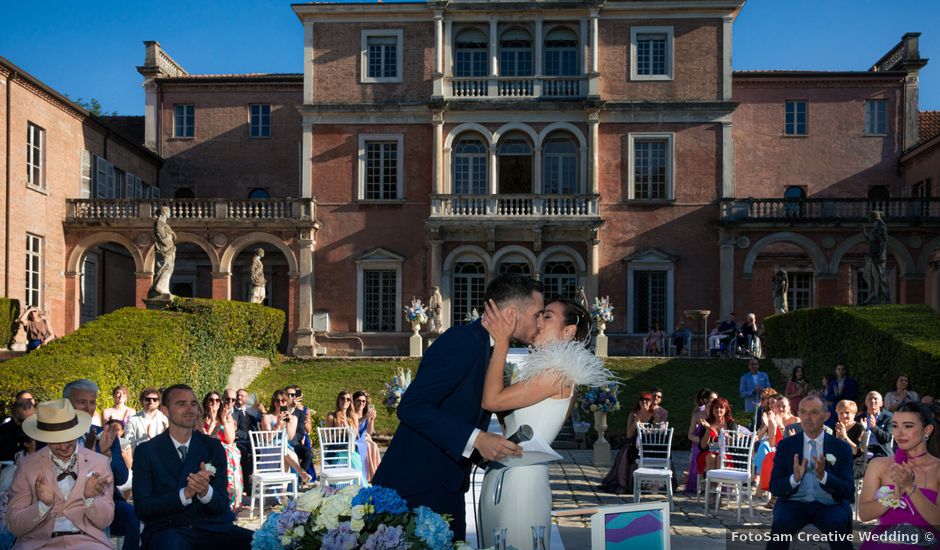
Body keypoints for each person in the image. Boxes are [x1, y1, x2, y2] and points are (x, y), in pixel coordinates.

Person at [372, 274, 542, 540]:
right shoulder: (463, 340)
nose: (540, 323)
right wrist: (476, 438)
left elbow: (457, 410)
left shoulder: (487, 347)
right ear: (511, 314)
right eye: (537, 314)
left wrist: (482, 452)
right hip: (416, 487)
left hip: (445, 483)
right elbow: (412, 407)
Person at [480, 296, 609, 549]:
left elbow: (491, 400)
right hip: (505, 475)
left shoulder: (558, 373)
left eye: (547, 316)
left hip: (522, 485)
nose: (538, 320)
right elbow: (509, 425)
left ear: (568, 331)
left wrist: (502, 341)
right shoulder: (543, 373)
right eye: (539, 314)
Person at [132, 384, 253, 549]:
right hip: (168, 530)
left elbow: (222, 505)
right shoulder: (146, 451)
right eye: (181, 404)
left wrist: (205, 492)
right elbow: (143, 509)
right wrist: (185, 494)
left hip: (210, 528)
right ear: (165, 410)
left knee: (258, 543)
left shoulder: (212, 448)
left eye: (193, 404)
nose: (190, 409)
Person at [7, 398, 114, 549]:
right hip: (37, 544)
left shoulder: (99, 463)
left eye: (69, 438)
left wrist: (90, 499)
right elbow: (14, 525)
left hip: (89, 541)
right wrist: (42, 505)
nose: (64, 446)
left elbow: (106, 520)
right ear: (44, 437)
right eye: (56, 440)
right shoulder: (26, 466)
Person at [766, 395, 855, 550]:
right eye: (803, 412)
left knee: (840, 530)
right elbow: (775, 486)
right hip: (794, 503)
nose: (807, 417)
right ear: (798, 414)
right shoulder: (787, 446)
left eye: (814, 412)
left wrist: (824, 477)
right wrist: (794, 479)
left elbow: (848, 490)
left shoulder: (841, 448)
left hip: (830, 504)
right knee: (780, 526)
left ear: (826, 416)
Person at [63, 379, 138, 550]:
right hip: (64, 501)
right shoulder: (54, 435)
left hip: (105, 500)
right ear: (66, 404)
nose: (89, 408)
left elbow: (121, 477)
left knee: (132, 515)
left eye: (92, 402)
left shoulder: (105, 434)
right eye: (82, 402)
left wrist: (105, 457)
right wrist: (94, 455)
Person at [858, 402, 939, 548]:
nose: (899, 432)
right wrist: (894, 497)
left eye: (908, 426)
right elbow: (864, 514)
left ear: (927, 430)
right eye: (895, 426)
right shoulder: (878, 465)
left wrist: (910, 488)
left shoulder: (937, 469)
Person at [601, 392, 656, 496]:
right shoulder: (633, 414)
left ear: (651, 402)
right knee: (627, 455)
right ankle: (629, 484)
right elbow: (628, 435)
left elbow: (657, 431)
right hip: (633, 443)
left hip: (649, 445)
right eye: (642, 400)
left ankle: (651, 484)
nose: (644, 402)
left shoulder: (654, 415)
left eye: (647, 400)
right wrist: (635, 424)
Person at [198, 391, 242, 511]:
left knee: (230, 453)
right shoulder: (201, 419)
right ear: (206, 402)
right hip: (209, 450)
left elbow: (230, 439)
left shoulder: (227, 417)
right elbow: (206, 440)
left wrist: (222, 419)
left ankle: (232, 500)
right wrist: (212, 422)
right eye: (211, 400)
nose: (214, 403)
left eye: (217, 400)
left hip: (226, 449)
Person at [261, 390, 311, 483]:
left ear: (287, 402)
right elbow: (267, 438)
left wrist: (288, 422)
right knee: (284, 450)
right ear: (274, 402)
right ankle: (301, 473)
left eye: (283, 400)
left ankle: (282, 495)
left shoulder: (294, 418)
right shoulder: (267, 417)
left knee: (284, 451)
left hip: (285, 451)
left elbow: (290, 437)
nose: (280, 403)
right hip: (270, 450)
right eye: (277, 401)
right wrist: (277, 425)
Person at [696, 397, 738, 501]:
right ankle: (714, 489)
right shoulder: (707, 422)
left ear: (726, 410)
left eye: (721, 408)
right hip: (708, 453)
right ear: (712, 409)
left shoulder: (731, 423)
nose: (718, 410)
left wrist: (729, 437)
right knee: (711, 456)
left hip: (725, 453)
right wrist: (707, 430)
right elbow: (702, 446)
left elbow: (734, 445)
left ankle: (717, 489)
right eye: (715, 407)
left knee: (720, 457)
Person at [324, 390, 366, 485]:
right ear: (338, 401)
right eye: (342, 398)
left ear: (350, 402)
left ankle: (356, 488)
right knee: (340, 458)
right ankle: (339, 488)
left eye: (348, 399)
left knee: (355, 460)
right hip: (335, 450)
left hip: (350, 449)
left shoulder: (354, 416)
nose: (345, 401)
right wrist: (339, 430)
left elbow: (355, 436)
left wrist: (347, 426)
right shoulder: (331, 416)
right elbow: (328, 440)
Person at [684, 388, 716, 494]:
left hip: (714, 444)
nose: (714, 402)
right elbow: (690, 435)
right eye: (712, 399)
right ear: (706, 400)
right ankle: (700, 484)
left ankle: (714, 484)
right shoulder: (698, 415)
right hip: (700, 443)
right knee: (698, 451)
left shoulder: (717, 415)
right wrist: (698, 439)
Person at [231, 388, 258, 495]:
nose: (239, 397)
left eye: (242, 395)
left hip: (250, 440)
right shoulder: (232, 411)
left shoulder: (250, 411)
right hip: (238, 440)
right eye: (238, 395)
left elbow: (259, 422)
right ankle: (246, 484)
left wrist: (261, 411)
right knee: (244, 450)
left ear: (247, 398)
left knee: (257, 449)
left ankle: (251, 475)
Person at [351, 390, 382, 482]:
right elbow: (353, 426)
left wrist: (371, 419)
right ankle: (367, 476)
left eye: (364, 401)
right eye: (359, 401)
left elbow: (369, 431)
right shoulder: (351, 413)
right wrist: (364, 418)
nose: (361, 403)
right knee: (368, 446)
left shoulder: (366, 413)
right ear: (354, 401)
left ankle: (373, 474)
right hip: (353, 438)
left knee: (373, 445)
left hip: (364, 437)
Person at [833, 400, 868, 481]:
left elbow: (856, 452)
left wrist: (845, 437)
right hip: (840, 462)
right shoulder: (836, 427)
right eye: (841, 413)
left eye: (847, 412)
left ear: (854, 414)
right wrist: (837, 439)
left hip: (855, 464)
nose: (844, 415)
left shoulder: (860, 428)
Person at [285, 385, 314, 481]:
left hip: (297, 440)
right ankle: (299, 476)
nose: (294, 398)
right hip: (287, 442)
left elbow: (305, 429)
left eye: (296, 395)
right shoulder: (282, 408)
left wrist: (304, 417)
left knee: (308, 453)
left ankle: (299, 479)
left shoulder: (303, 411)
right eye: (291, 395)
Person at [857, 391, 893, 458]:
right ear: (865, 403)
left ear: (881, 403)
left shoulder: (888, 419)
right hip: (862, 449)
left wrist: (874, 428)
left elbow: (887, 438)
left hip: (880, 451)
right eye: (870, 399)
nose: (873, 401)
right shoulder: (859, 418)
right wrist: (862, 430)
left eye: (875, 399)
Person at [824, 364, 858, 428]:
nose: (840, 371)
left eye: (842, 369)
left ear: (845, 371)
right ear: (836, 371)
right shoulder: (833, 382)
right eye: (838, 369)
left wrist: (841, 394)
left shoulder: (851, 382)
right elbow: (828, 397)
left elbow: (853, 396)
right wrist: (836, 395)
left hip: (846, 410)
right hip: (834, 411)